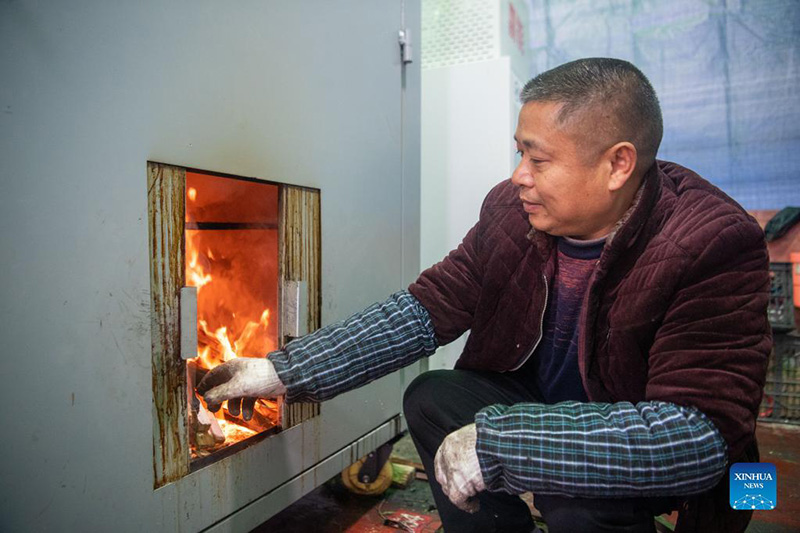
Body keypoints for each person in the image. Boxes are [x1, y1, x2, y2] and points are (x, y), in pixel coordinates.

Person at [197, 58, 770, 533]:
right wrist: (284, 372)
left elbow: (696, 435)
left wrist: (509, 445)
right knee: (432, 397)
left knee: (577, 500)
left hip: (632, 435)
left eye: (538, 159)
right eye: (519, 152)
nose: (519, 175)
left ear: (617, 164)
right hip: (546, 405)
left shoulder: (711, 243)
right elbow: (423, 310)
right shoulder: (513, 212)